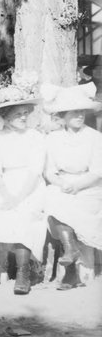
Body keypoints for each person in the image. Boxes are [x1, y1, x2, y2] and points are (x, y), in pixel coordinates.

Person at [0, 87, 47, 294]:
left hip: (30, 187)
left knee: (23, 215)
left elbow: (35, 171)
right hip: (5, 186)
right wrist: (6, 195)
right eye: (17, 114)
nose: (23, 117)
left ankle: (23, 274)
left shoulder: (35, 136)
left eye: (25, 113)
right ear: (5, 116)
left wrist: (18, 198)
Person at [41, 86, 102, 291]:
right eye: (74, 112)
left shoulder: (95, 137)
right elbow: (49, 172)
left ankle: (73, 270)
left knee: (74, 206)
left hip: (90, 187)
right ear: (62, 116)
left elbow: (97, 171)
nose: (79, 115)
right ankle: (71, 250)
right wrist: (62, 184)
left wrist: (77, 185)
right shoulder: (53, 138)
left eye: (82, 111)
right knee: (51, 198)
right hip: (64, 184)